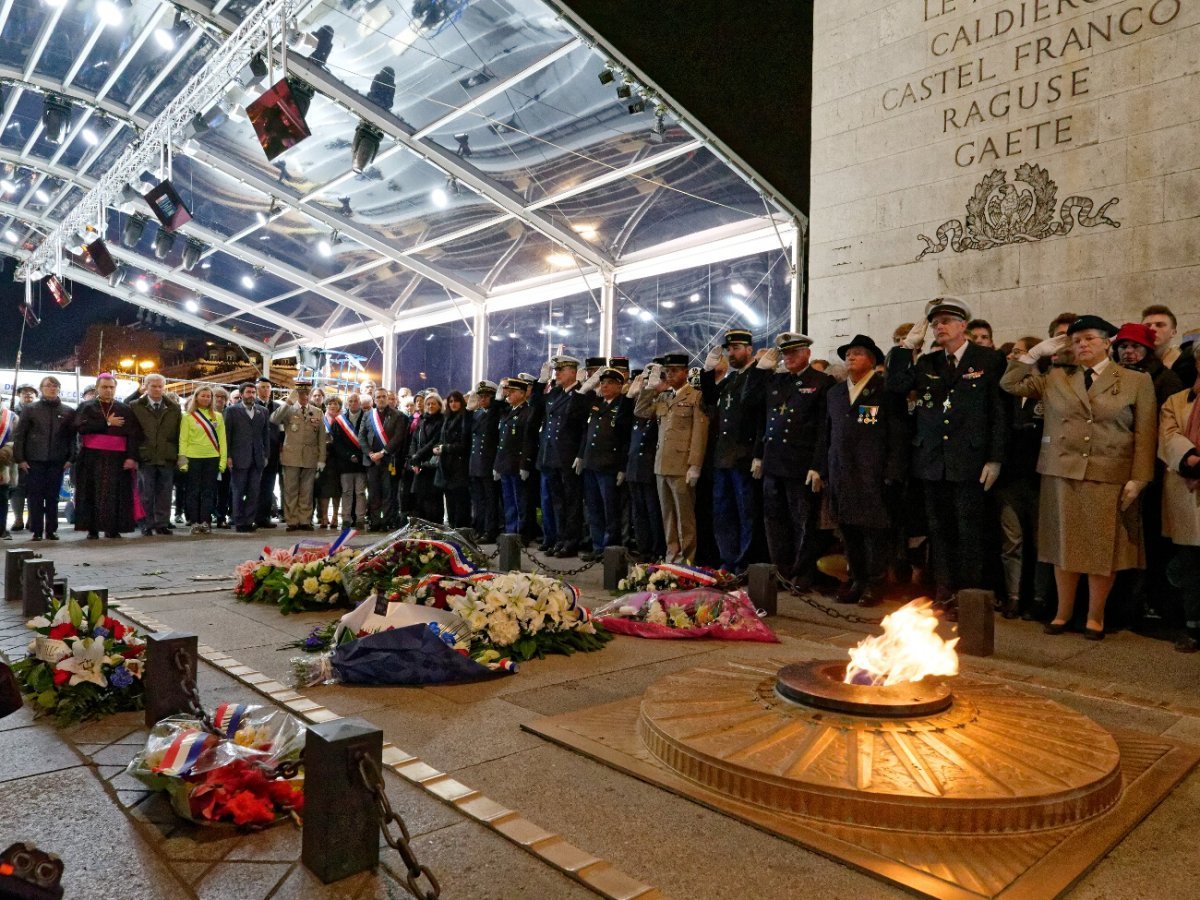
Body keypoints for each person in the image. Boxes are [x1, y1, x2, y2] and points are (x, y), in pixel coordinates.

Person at [1001, 315, 1157, 639]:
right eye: (1075, 340)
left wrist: (1139, 478)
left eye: (1088, 338)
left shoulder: (1134, 381)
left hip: (1109, 475)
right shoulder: (1057, 376)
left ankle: (1095, 616)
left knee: (1102, 552)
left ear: (1107, 342)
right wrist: (1033, 355)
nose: (1081, 345)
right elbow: (1010, 385)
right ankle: (1063, 612)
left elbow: (1145, 434)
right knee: (1064, 549)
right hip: (1062, 474)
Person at [888, 297, 1007, 612]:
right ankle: (944, 591)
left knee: (970, 531)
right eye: (935, 323)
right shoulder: (928, 362)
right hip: (932, 462)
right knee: (939, 531)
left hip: (969, 461)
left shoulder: (987, 360)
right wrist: (905, 349)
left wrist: (994, 458)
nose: (939, 327)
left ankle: (968, 596)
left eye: (946, 321)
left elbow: (998, 411)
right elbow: (896, 384)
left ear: (963, 325)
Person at [813, 335, 905, 606]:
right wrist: (821, 468)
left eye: (858, 353)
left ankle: (876, 583)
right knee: (849, 531)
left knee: (874, 532)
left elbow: (897, 435)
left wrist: (893, 471)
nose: (851, 357)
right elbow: (827, 434)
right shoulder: (836, 393)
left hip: (872, 474)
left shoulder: (885, 390)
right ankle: (857, 580)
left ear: (873, 360)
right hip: (841, 472)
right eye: (848, 354)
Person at [748, 333, 835, 586]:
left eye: (794, 352)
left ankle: (802, 572)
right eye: (785, 353)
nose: (789, 358)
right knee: (775, 521)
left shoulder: (821, 381)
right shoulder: (776, 380)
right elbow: (754, 409)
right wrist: (758, 370)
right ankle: (782, 571)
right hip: (774, 462)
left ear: (807, 353)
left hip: (800, 465)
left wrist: (818, 466)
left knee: (803, 522)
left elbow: (823, 429)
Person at [994, 336, 1055, 620]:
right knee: (1012, 541)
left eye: (1019, 353)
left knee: (1041, 542)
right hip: (1010, 478)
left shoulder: (1046, 385)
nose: (1013, 358)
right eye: (1013, 353)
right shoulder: (1006, 393)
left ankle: (1040, 598)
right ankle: (1014, 595)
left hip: (1039, 477)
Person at [700, 328, 764, 573]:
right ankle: (728, 560)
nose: (732, 353)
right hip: (723, 457)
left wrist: (758, 453)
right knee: (723, 512)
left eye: (737, 348)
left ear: (749, 349)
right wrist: (708, 372)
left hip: (743, 456)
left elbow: (759, 416)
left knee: (745, 513)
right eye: (729, 349)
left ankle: (743, 563)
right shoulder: (732, 379)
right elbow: (709, 400)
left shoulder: (757, 377)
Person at [634, 354, 708, 563]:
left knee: (685, 518)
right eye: (668, 371)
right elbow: (640, 411)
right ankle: (671, 555)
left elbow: (699, 433)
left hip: (682, 466)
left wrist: (695, 465)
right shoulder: (664, 397)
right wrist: (650, 388)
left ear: (685, 372)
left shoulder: (695, 397)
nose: (671, 374)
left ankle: (686, 559)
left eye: (675, 370)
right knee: (667, 516)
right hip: (662, 465)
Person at [1158, 344, 1200, 652]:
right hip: (1187, 489)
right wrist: (1191, 460)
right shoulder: (1177, 400)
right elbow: (1168, 436)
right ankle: (1193, 626)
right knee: (1191, 566)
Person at [576, 367, 633, 562]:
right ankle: (597, 545)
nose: (605, 386)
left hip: (610, 465)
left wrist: (622, 467)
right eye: (603, 382)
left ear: (620, 385)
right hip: (591, 463)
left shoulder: (623, 405)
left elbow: (626, 439)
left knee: (610, 509)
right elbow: (583, 425)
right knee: (594, 508)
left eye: (609, 383)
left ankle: (610, 548)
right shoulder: (596, 404)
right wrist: (581, 455)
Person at [533, 355, 588, 557]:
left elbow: (583, 427)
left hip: (568, 455)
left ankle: (571, 541)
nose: (556, 374)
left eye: (560, 371)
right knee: (557, 501)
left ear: (573, 372)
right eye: (556, 371)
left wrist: (581, 454)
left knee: (571, 501)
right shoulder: (556, 393)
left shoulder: (580, 394)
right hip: (552, 455)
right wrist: (540, 383)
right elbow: (536, 407)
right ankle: (560, 538)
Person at [75, 374, 140, 539]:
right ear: (97, 387)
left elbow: (133, 435)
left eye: (111, 387)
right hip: (92, 457)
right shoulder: (87, 406)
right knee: (91, 492)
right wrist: (107, 423)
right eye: (104, 387)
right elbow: (80, 427)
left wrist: (131, 457)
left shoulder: (124, 409)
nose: (108, 390)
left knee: (116, 494)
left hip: (117, 458)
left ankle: (113, 528)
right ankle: (92, 529)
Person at [13, 378, 73, 541]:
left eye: (55, 386)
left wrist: (71, 458)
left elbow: (72, 438)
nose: (52, 388)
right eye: (48, 386)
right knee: (35, 496)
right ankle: (37, 530)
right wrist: (20, 459)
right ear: (41, 389)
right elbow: (20, 435)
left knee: (53, 497)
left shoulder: (68, 411)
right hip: (34, 460)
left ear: (59, 389)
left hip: (57, 460)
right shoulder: (30, 409)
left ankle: (51, 530)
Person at [129, 373, 182, 536]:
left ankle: (162, 523)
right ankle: (146, 523)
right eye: (154, 386)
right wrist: (134, 455)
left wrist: (179, 455)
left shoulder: (174, 407)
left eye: (160, 386)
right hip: (146, 455)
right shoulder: (135, 405)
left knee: (165, 492)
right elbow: (132, 433)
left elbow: (178, 433)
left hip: (167, 456)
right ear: (145, 387)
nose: (158, 389)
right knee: (146, 492)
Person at [270, 379, 326, 532]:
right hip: (291, 456)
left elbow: (322, 438)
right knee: (290, 489)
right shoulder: (288, 409)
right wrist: (288, 401)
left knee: (307, 491)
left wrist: (322, 459)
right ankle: (292, 520)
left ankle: (305, 520)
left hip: (310, 456)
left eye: (306, 393)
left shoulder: (317, 412)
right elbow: (274, 419)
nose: (304, 396)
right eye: (300, 393)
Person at [625, 368, 666, 561]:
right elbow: (637, 411)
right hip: (635, 466)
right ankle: (644, 549)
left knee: (653, 512)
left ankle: (657, 549)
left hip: (651, 467)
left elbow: (644, 411)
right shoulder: (641, 405)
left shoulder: (663, 404)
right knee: (639, 512)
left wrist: (653, 391)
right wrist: (644, 390)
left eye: (655, 380)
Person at [494, 375, 539, 541]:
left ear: (522, 393)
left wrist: (525, 464)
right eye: (508, 392)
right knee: (509, 501)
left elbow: (529, 440)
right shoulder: (508, 412)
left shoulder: (528, 412)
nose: (508, 395)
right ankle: (511, 531)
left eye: (512, 392)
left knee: (522, 502)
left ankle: (522, 533)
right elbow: (502, 441)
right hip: (506, 464)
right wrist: (497, 465)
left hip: (518, 463)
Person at [178, 386, 227, 535]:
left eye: (208, 396)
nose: (206, 399)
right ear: (196, 397)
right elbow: (183, 439)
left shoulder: (218, 416)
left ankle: (205, 522)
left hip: (212, 458)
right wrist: (182, 459)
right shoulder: (187, 416)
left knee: (209, 492)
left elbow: (222, 441)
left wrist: (222, 461)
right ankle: (194, 522)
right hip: (193, 458)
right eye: (203, 396)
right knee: (193, 491)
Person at [359, 387, 408, 531]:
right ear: (374, 399)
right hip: (372, 461)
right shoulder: (368, 415)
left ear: (387, 398)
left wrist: (383, 452)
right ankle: (375, 522)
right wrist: (370, 453)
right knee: (373, 493)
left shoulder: (398, 415)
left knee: (388, 493)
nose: (381, 399)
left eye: (383, 397)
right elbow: (361, 436)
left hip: (388, 460)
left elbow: (398, 438)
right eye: (378, 397)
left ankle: (386, 521)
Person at [224, 382, 269, 533]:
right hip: (238, 458)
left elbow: (265, 435)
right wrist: (228, 456)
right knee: (238, 491)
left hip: (257, 458)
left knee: (254, 491)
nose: (251, 395)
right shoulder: (231, 411)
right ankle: (239, 521)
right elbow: (227, 436)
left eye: (253, 392)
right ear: (242, 394)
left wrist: (266, 455)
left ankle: (249, 520)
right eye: (248, 392)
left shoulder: (262, 411)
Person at [1112, 322, 1184, 406]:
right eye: (1123, 347)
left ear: (1147, 350)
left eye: (1136, 346)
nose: (1128, 351)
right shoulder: (1112, 374)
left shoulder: (1166, 378)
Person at [468, 381, 504, 540]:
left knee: (490, 499)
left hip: (488, 462)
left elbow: (491, 430)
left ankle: (490, 529)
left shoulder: (495, 414)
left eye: (486, 397)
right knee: (478, 499)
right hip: (476, 462)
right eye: (480, 396)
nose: (482, 400)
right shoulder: (477, 414)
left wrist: (496, 403)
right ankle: (479, 527)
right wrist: (468, 412)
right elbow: (468, 432)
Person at [435, 390, 472, 528]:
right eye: (450, 401)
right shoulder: (447, 418)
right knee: (449, 499)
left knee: (460, 500)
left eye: (456, 401)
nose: (453, 404)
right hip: (446, 466)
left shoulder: (465, 418)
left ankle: (461, 528)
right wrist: (439, 447)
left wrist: (445, 448)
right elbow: (442, 439)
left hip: (459, 465)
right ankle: (451, 526)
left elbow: (464, 444)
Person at [408, 392, 445, 523]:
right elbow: (414, 440)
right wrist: (414, 457)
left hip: (432, 464)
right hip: (420, 463)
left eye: (433, 404)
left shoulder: (442, 420)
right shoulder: (422, 420)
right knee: (420, 497)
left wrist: (418, 456)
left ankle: (435, 524)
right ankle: (423, 525)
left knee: (433, 498)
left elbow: (434, 441)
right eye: (428, 404)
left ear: (439, 405)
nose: (430, 406)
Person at [331, 392, 367, 528]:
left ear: (360, 402)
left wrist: (359, 456)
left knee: (361, 492)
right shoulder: (339, 421)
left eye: (356, 401)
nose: (353, 403)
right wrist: (349, 456)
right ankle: (346, 518)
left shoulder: (367, 418)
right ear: (347, 404)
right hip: (345, 463)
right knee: (346, 492)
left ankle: (360, 519)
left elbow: (368, 439)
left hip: (362, 462)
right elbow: (337, 443)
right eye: (350, 401)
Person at [254, 379, 283, 528]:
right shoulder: (252, 406)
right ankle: (252, 516)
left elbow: (282, 430)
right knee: (254, 486)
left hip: (273, 453)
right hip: (256, 452)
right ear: (257, 390)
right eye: (262, 387)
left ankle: (264, 517)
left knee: (268, 486)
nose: (265, 390)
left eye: (267, 387)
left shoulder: (277, 407)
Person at [8, 384, 37, 532]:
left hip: (36, 456)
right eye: (24, 392)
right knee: (17, 489)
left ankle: (33, 519)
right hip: (16, 456)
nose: (28, 395)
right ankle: (18, 519)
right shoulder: (11, 412)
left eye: (31, 392)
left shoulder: (39, 410)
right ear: (19, 395)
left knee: (35, 489)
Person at [315, 396, 344, 528]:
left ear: (339, 406)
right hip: (323, 459)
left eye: (335, 404)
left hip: (339, 459)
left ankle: (335, 517)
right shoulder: (321, 419)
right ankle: (324, 516)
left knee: (337, 490)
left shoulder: (344, 420)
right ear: (326, 406)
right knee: (324, 490)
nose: (332, 406)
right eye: (330, 404)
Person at [0, 402, 19, 540]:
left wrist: (4, 453)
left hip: (2, 465)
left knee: (1, 499)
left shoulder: (11, 417)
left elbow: (15, 441)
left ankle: (1, 529)